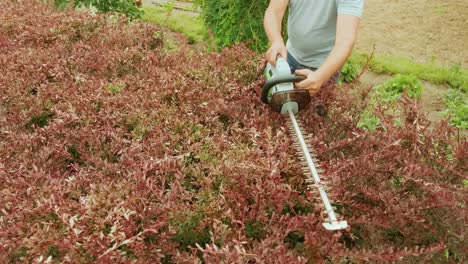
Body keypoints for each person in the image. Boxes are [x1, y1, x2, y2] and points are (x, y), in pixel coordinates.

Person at [264, 0, 364, 97]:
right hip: (289, 57)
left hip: (324, 67)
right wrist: (276, 41)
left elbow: (345, 41)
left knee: (316, 111)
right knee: (279, 109)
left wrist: (320, 76)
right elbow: (273, 12)